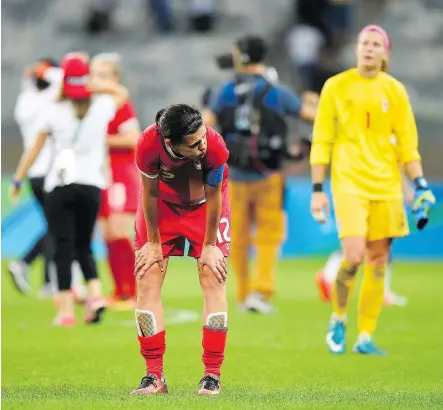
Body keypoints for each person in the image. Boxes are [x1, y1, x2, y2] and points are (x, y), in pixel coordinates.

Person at [310, 25, 436, 355]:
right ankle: (338, 317)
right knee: (353, 256)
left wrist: (420, 184)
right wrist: (317, 188)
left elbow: (408, 145)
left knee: (379, 260)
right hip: (349, 181)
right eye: (364, 42)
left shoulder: (395, 91)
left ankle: (365, 335)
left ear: (385, 53)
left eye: (375, 43)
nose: (368, 48)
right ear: (357, 49)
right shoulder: (335, 86)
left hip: (387, 185)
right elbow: (322, 138)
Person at [10, 53, 129, 326]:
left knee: (63, 246)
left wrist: (18, 179)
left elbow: (35, 149)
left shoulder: (54, 110)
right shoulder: (101, 106)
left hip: (59, 184)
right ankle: (96, 295)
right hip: (90, 185)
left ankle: (65, 312)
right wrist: (92, 86)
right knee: (85, 244)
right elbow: (121, 91)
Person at [203, 35, 317, 314]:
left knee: (237, 237)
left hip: (234, 175)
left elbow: (206, 122)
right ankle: (261, 292)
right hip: (269, 174)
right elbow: (310, 115)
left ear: (240, 56)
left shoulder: (226, 90)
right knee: (269, 234)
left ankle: (243, 294)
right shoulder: (277, 91)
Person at [131, 104, 230, 395]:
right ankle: (153, 376)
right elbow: (148, 193)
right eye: (194, 144)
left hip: (206, 209)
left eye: (203, 138)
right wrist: (152, 241)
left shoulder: (215, 146)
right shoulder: (148, 144)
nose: (203, 145)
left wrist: (210, 245)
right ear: (170, 143)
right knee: (147, 276)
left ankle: (212, 375)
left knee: (213, 276)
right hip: (162, 208)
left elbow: (215, 197)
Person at [315, 169, 415, 307]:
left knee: (359, 241)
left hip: (355, 189)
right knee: (377, 243)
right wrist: (407, 189)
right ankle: (381, 292)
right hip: (376, 192)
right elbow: (395, 163)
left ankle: (329, 274)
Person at [8, 58, 61, 296]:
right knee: (56, 227)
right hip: (50, 170)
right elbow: (61, 79)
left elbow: (34, 83)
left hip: (33, 172)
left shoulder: (25, 102)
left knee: (53, 226)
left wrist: (35, 72)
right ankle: (31, 267)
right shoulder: (50, 103)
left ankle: (45, 279)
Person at [91, 53, 140, 309]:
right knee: (108, 235)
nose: (96, 80)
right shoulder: (94, 106)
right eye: (94, 74)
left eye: (103, 75)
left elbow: (133, 138)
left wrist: (99, 140)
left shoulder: (121, 105)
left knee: (121, 231)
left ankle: (133, 292)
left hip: (120, 174)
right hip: (99, 175)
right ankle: (118, 291)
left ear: (115, 78)